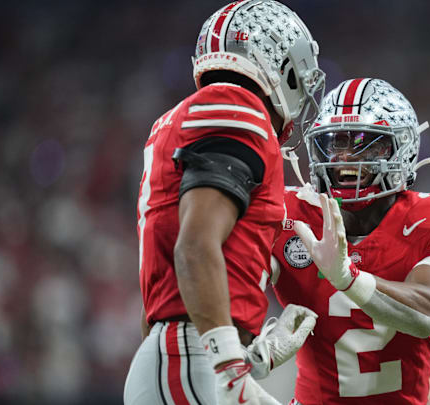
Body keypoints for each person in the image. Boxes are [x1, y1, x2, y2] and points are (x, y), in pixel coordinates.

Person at [124, 1, 325, 404]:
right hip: (194, 357)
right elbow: (195, 246)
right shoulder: (235, 107)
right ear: (281, 64)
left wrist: (256, 356)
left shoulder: (191, 115)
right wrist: (227, 362)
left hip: (189, 355)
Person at [270, 78, 430, 404]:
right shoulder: (285, 213)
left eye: (368, 142)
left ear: (402, 148)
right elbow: (231, 282)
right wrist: (245, 344)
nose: (346, 157)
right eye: (335, 142)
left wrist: (348, 278)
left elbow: (427, 314)